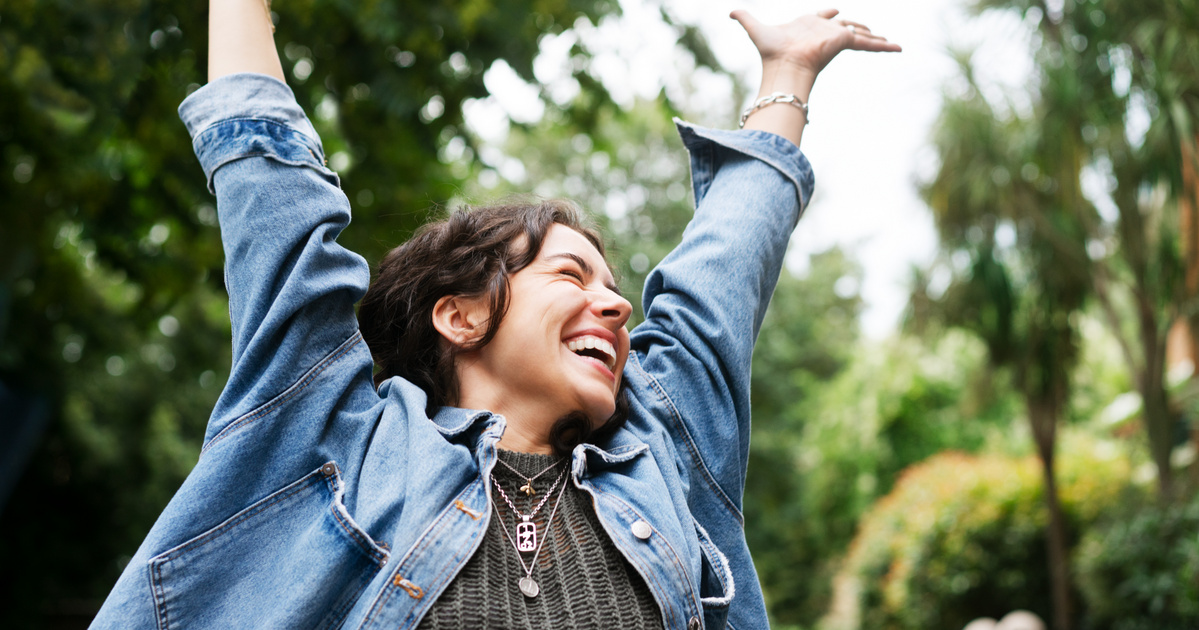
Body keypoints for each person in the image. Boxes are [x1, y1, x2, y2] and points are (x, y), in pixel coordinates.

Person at [91, 1, 899, 628]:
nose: (616, 305)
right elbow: (273, 195)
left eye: (612, 288)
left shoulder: (661, 448)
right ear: (461, 317)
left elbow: (721, 274)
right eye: (570, 274)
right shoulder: (334, 443)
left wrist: (786, 75)